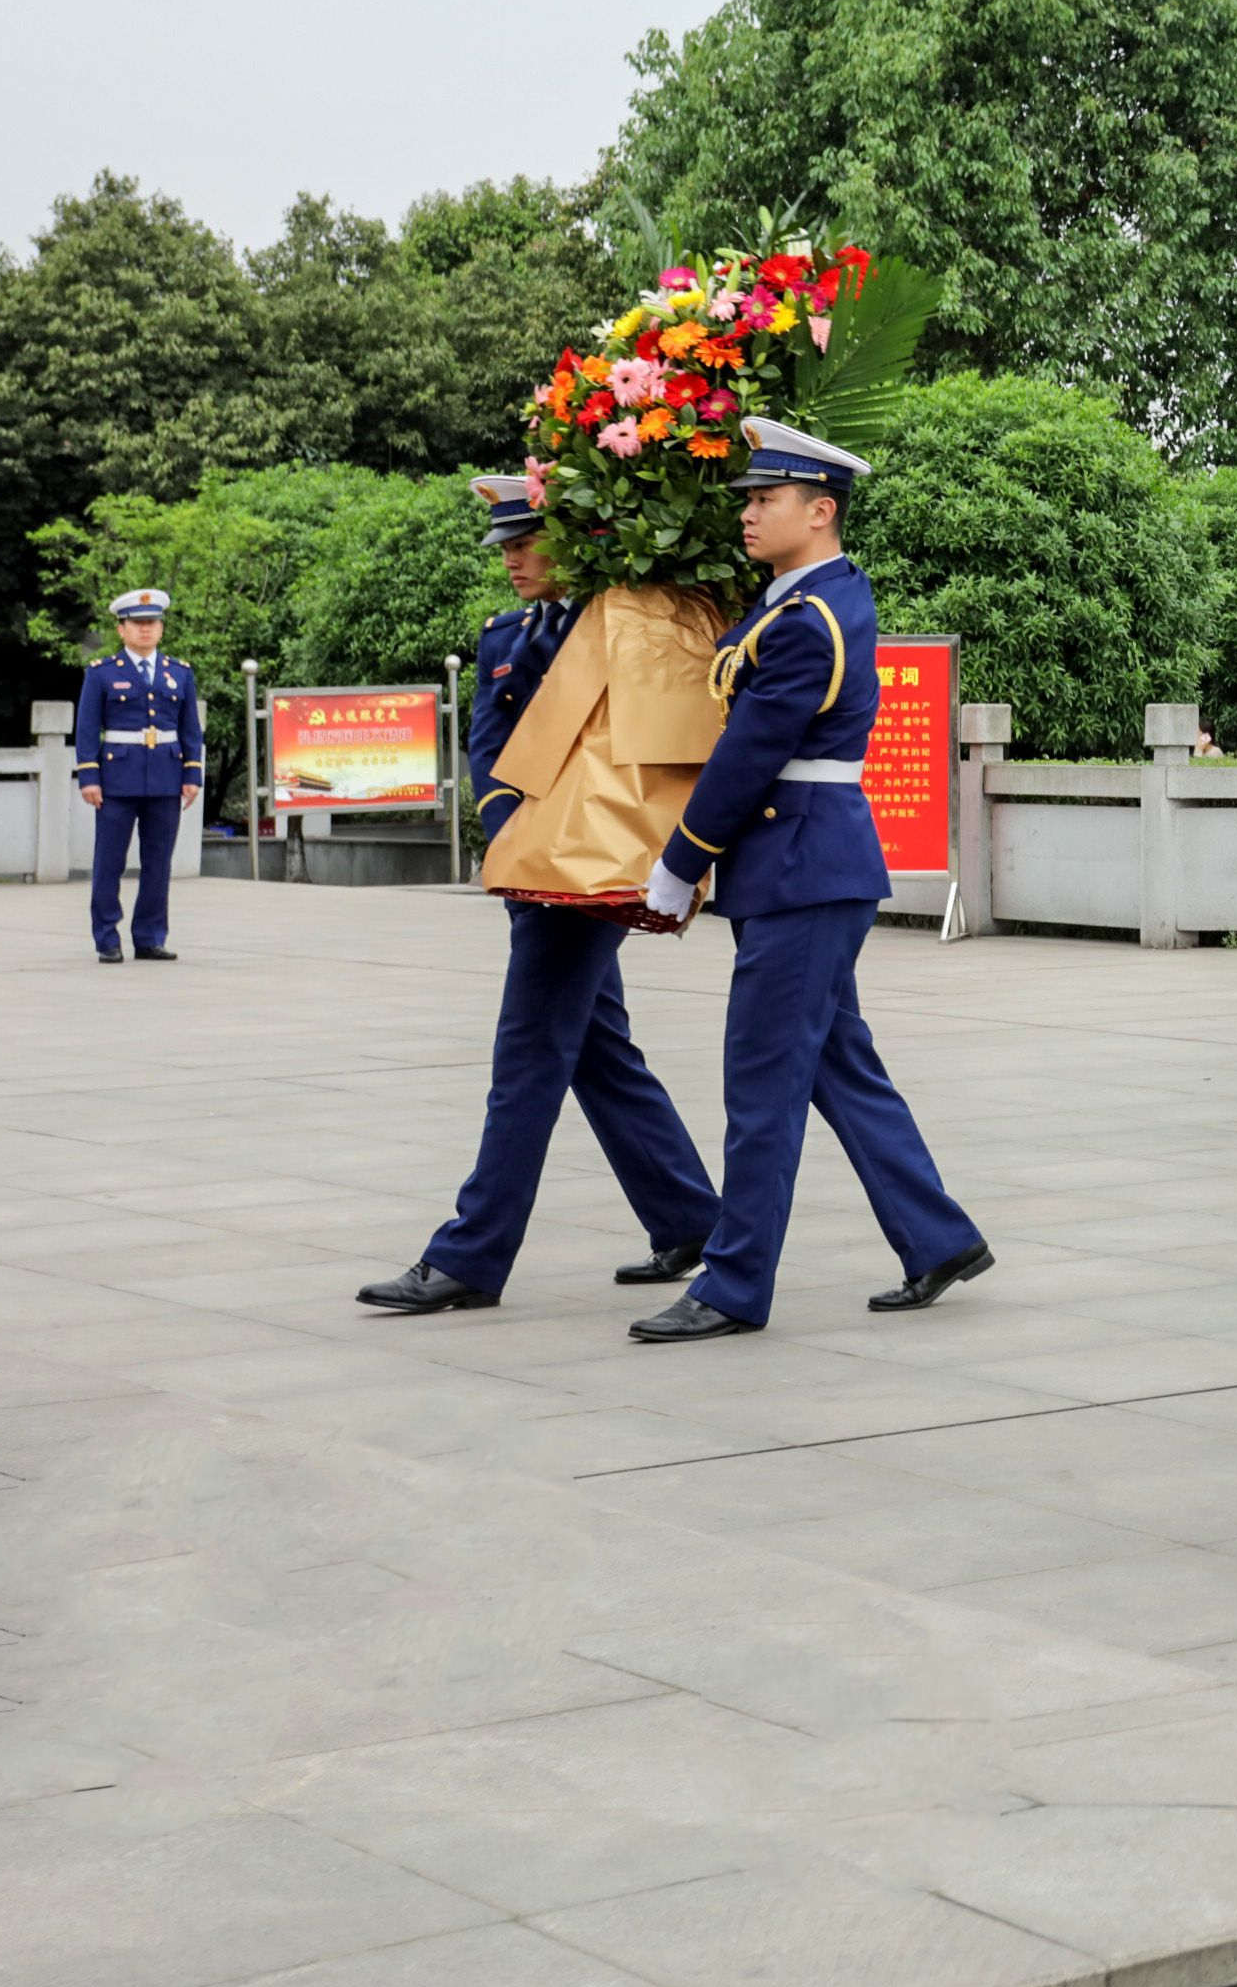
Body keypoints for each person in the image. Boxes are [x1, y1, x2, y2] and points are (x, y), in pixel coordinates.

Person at [629, 420, 993, 1342]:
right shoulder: (792, 601)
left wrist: (680, 864)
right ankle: (936, 1236)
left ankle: (733, 1286)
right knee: (835, 1063)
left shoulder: (811, 617)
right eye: (749, 498)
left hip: (798, 864)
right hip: (798, 863)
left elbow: (750, 754)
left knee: (761, 1085)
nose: (749, 513)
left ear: (820, 511)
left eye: (766, 499)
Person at [358, 479, 723, 1317]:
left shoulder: (630, 627)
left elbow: (649, 747)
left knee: (525, 1058)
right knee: (596, 1049)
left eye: (528, 540)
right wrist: (515, 827)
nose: (513, 558)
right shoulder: (508, 633)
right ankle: (691, 1217)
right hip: (537, 864)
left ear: (579, 542)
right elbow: (490, 739)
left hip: (589, 873)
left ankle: (471, 1254)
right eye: (506, 545)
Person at [75, 588, 204, 964]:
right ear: (122, 629)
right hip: (117, 780)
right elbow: (87, 729)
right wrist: (89, 777)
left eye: (153, 623)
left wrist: (192, 773)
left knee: (158, 863)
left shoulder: (178, 673)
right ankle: (106, 937)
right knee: (109, 862)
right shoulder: (102, 673)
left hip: (165, 778)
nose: (146, 630)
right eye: (138, 624)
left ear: (161, 628)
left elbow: (190, 729)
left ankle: (149, 937)